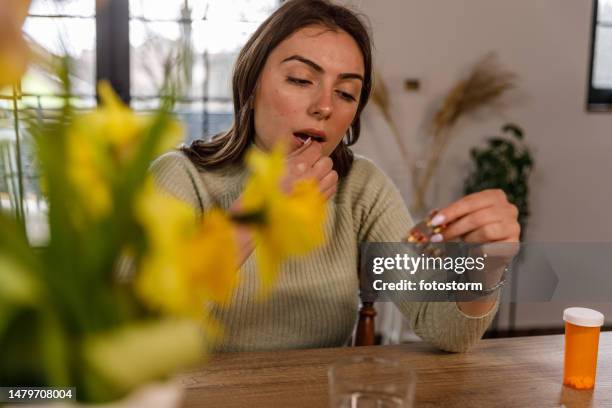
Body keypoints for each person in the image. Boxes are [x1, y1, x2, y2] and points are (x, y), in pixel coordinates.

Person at [151, 0, 520, 353]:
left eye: (346, 92)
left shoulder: (362, 186)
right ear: (251, 85)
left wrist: (485, 270)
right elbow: (139, 327)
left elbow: (443, 327)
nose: (325, 106)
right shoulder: (181, 178)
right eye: (300, 79)